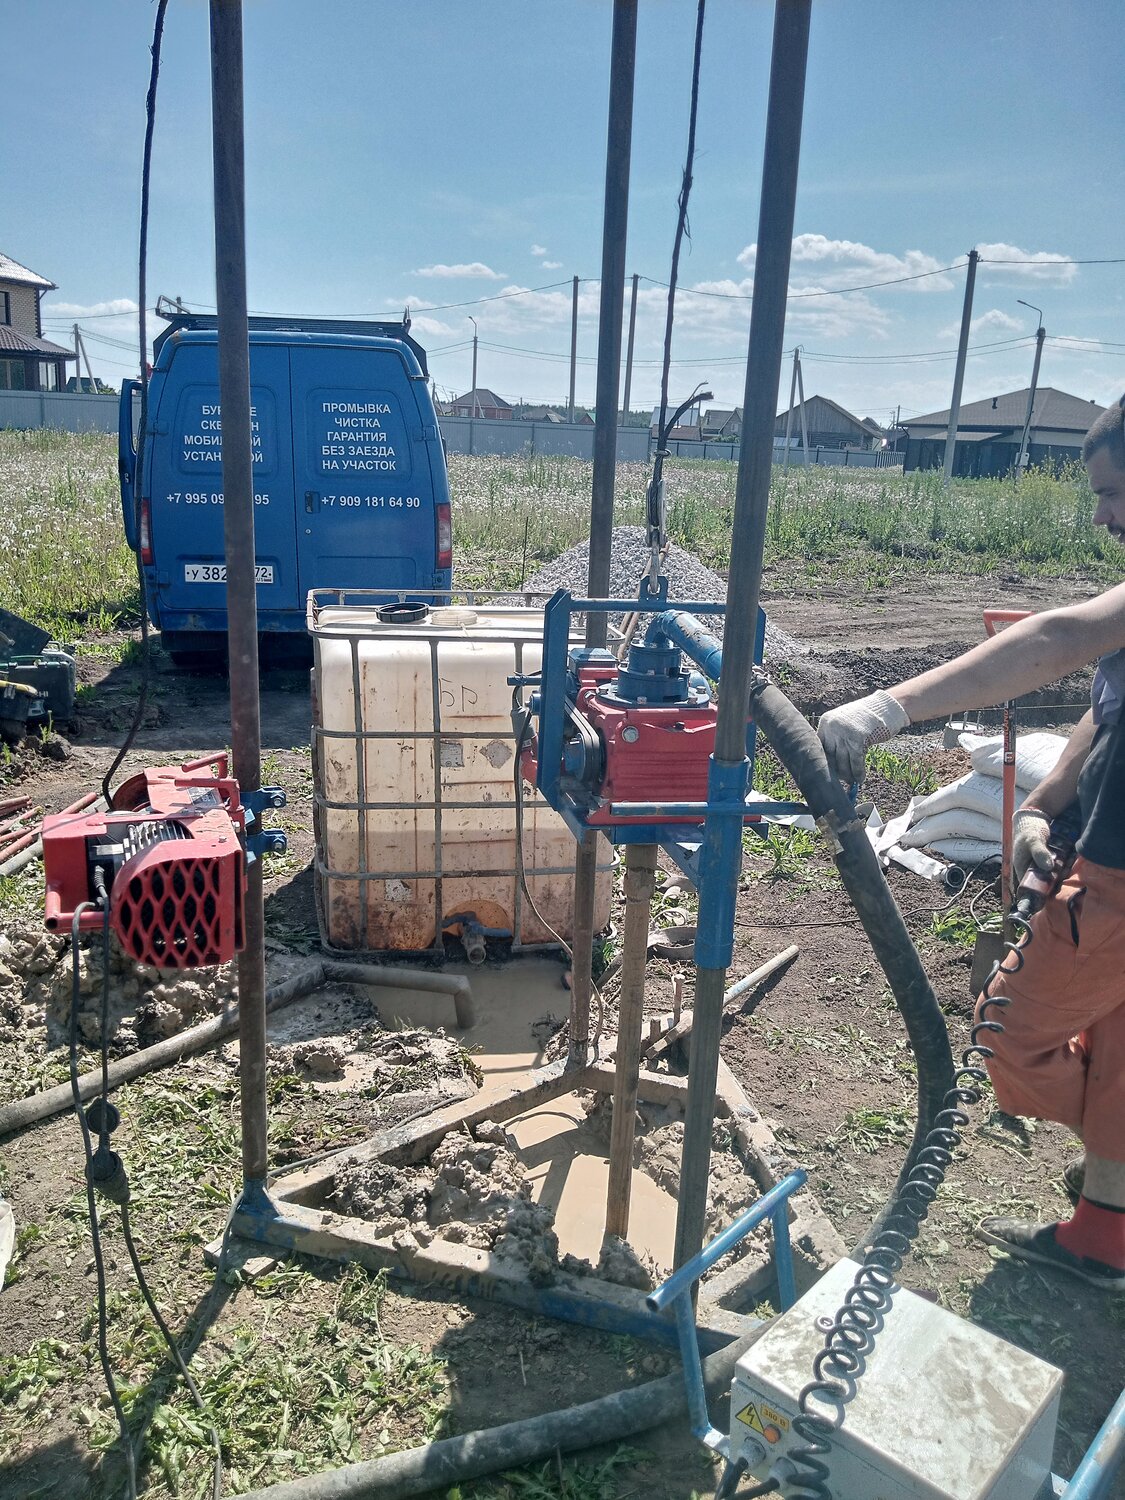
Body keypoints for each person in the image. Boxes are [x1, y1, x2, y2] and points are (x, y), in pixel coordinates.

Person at [816, 397, 1125, 1290]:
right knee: (1115, 1051)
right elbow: (1106, 705)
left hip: (1118, 881)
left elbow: (1060, 638)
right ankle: (1108, 1231)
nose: (1103, 517)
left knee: (1009, 1038)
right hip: (1102, 850)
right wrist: (1046, 801)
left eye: (1113, 494)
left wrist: (892, 707)